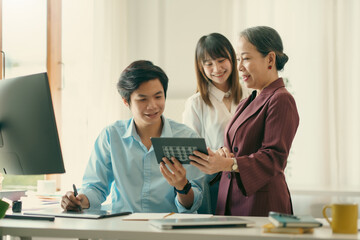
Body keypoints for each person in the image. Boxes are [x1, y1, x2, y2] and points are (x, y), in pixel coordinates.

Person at [61, 60, 206, 213]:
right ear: (126, 101)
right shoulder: (111, 136)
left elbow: (194, 204)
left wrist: (182, 187)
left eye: (158, 96)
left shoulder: (186, 138)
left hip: (168, 231)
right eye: (142, 99)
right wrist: (79, 200)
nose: (153, 105)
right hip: (123, 228)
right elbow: (96, 188)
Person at [189, 26, 299, 216]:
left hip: (261, 203)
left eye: (245, 58)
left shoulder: (281, 99)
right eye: (238, 59)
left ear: (270, 59)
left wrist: (227, 163)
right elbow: (237, 148)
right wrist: (224, 154)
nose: (239, 67)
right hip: (231, 200)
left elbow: (273, 158)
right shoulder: (248, 101)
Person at [182, 33, 243, 214]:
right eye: (208, 63)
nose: (216, 68)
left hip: (246, 181)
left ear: (232, 59)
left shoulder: (251, 95)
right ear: (201, 67)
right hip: (214, 184)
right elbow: (190, 150)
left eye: (221, 60)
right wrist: (215, 155)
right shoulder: (196, 103)